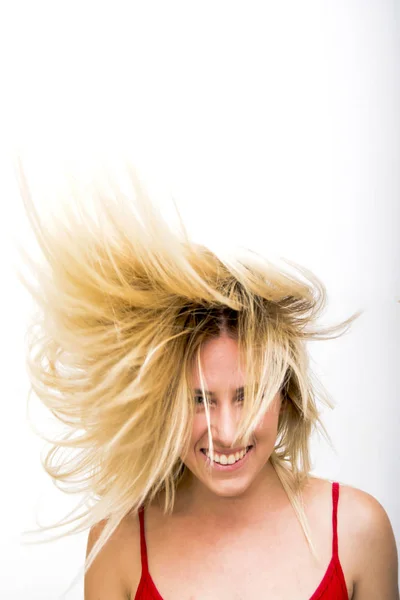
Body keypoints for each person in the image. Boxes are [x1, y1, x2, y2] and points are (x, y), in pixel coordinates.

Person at [15, 159, 399, 599]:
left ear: (286, 396)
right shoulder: (118, 544)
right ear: (162, 405)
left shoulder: (356, 531)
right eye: (200, 400)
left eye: (247, 396)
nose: (227, 432)